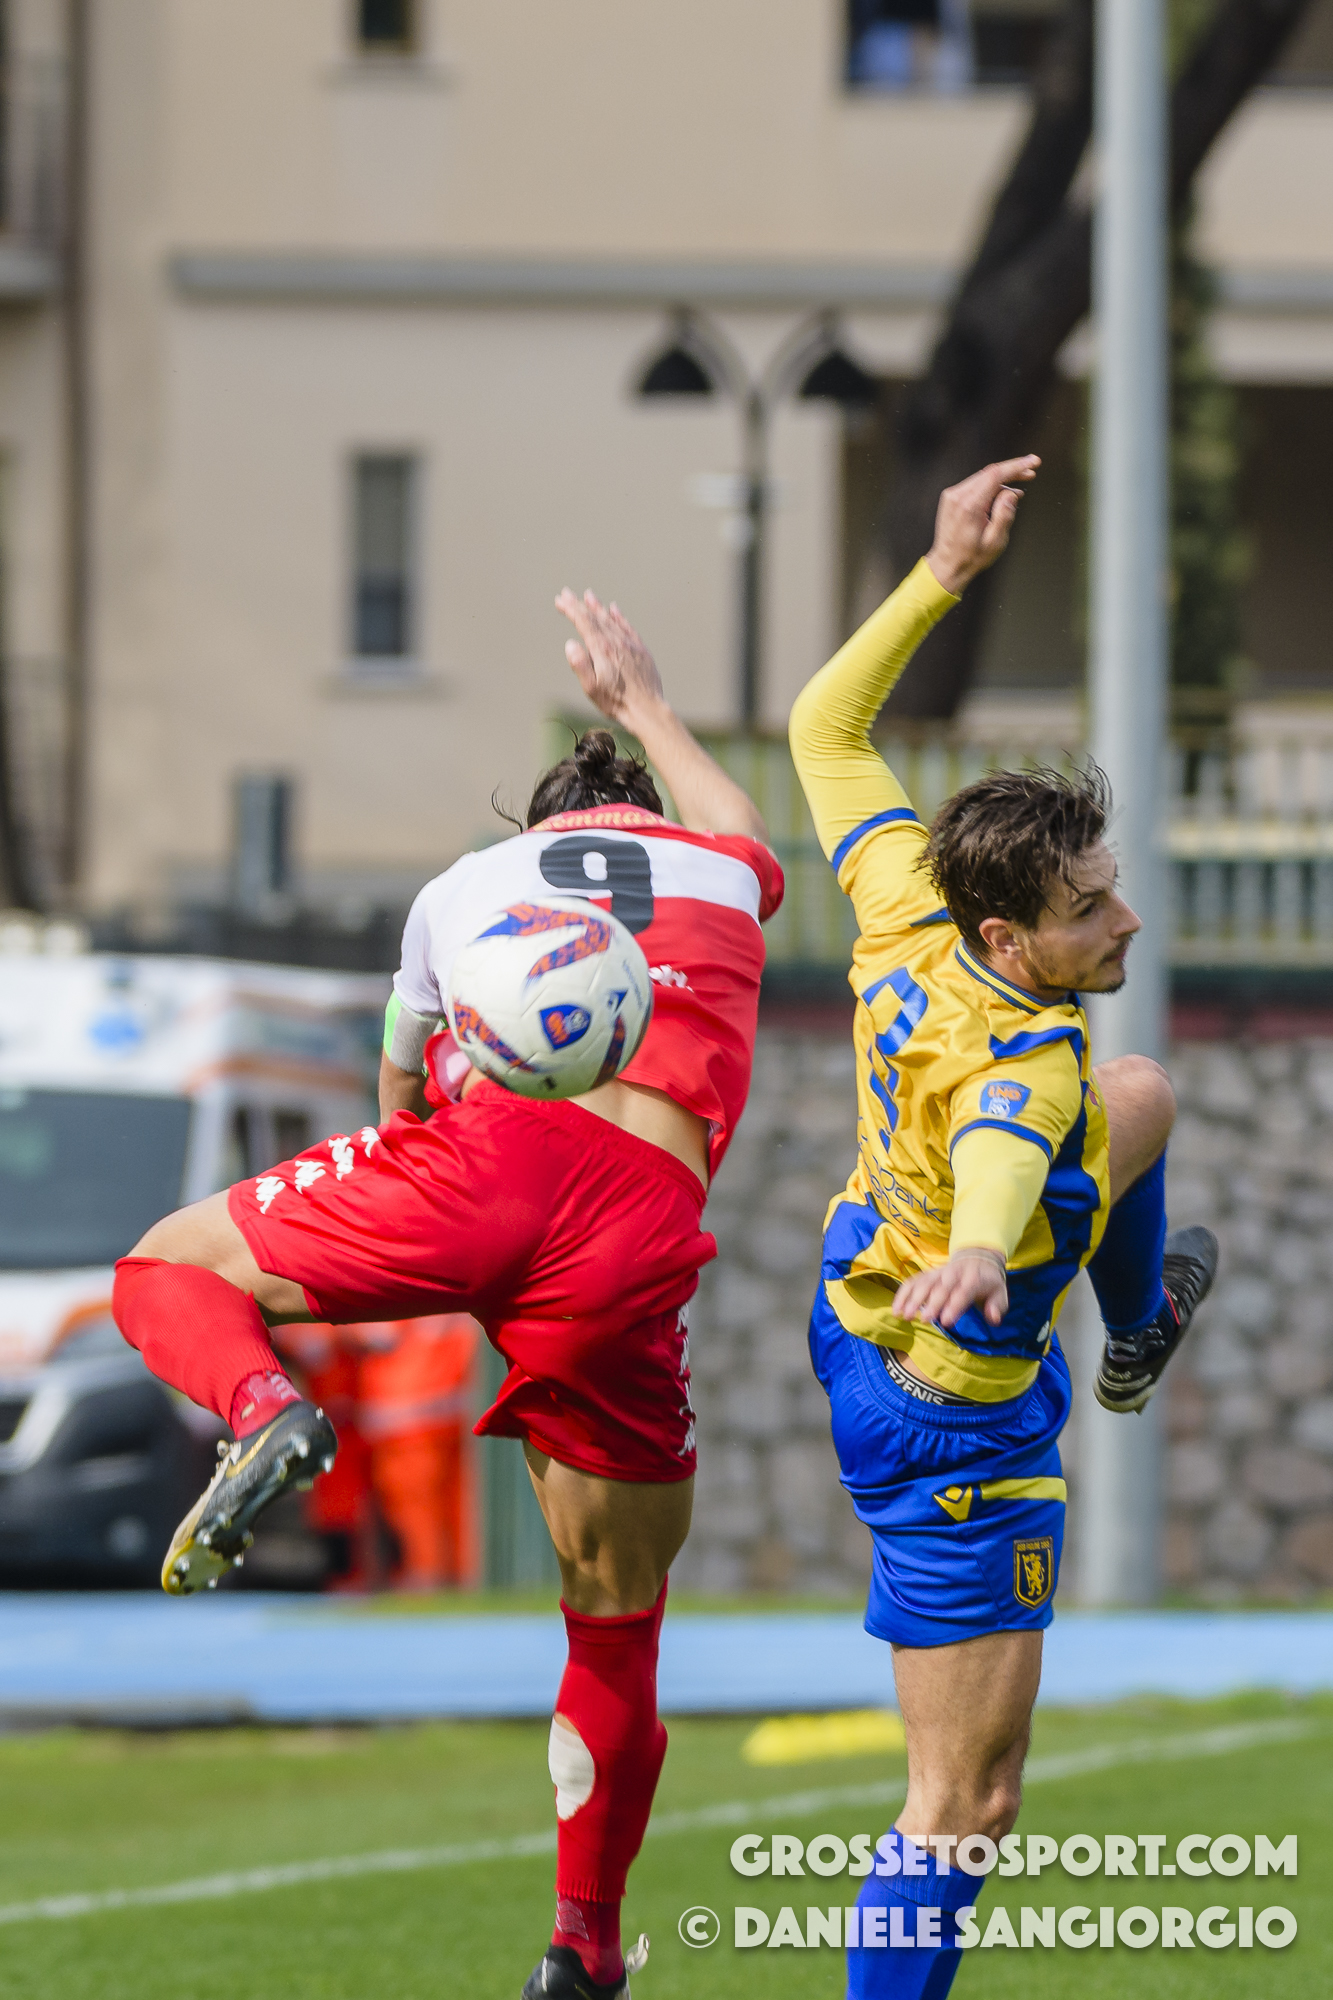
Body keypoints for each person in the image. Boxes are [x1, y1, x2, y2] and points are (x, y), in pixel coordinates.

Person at [112, 590, 782, 2000]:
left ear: (539, 827)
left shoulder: (464, 888)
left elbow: (402, 1084)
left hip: (478, 1166)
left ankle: (260, 1405)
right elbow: (738, 824)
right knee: (616, 1616)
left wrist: (412, 1197)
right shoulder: (728, 873)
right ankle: (584, 1947)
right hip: (636, 1233)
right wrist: (646, 701)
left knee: (167, 1266)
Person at [787, 455, 1217, 2000]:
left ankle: (1134, 1324)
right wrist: (979, 1247)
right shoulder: (1024, 1059)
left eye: (1109, 889)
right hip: (952, 1398)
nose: (1124, 919)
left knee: (1142, 1091)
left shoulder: (904, 902)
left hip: (858, 1299)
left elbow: (821, 729)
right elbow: (1002, 1139)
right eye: (1089, 910)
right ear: (1007, 938)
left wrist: (940, 573)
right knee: (959, 1807)